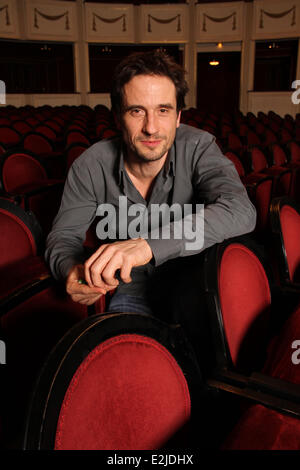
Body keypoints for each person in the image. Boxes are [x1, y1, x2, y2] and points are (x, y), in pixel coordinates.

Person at [45, 49, 256, 316]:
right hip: (131, 291)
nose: (151, 127)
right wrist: (71, 269)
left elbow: (241, 210)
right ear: (118, 117)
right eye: (137, 111)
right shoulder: (90, 165)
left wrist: (147, 246)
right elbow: (63, 237)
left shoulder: (199, 147)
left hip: (195, 285)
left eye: (163, 110)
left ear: (178, 117)